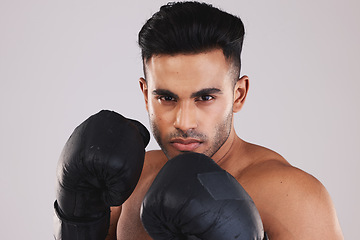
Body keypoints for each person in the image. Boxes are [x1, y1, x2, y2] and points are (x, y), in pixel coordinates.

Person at [53, 1, 343, 240]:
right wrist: (77, 218)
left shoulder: (292, 198)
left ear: (238, 95)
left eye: (205, 98)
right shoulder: (132, 181)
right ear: (145, 95)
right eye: (166, 98)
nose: (184, 122)